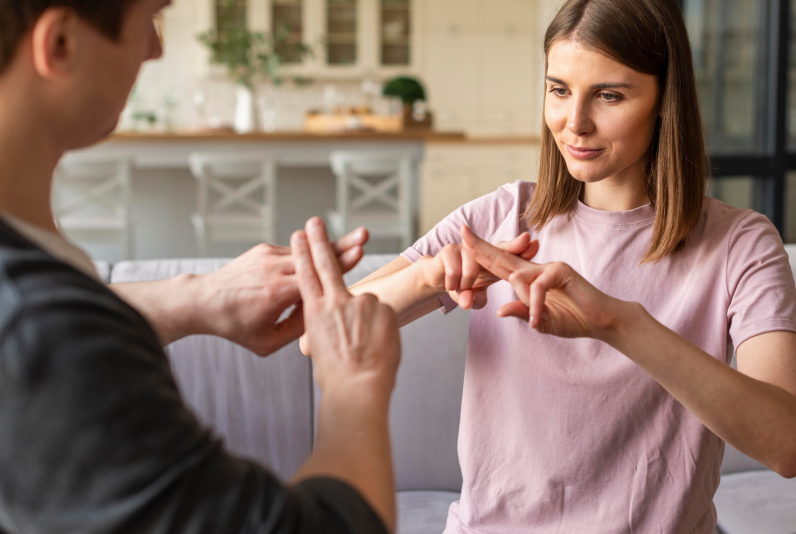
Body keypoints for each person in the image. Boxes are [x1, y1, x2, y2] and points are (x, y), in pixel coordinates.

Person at [304, 0, 796, 532]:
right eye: (559, 90)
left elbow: (785, 447)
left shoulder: (741, 245)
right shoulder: (499, 217)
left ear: (664, 99)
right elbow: (318, 337)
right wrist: (429, 275)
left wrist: (617, 323)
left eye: (609, 95)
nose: (574, 123)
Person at [0, 0, 402, 532]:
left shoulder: (37, 312)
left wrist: (194, 297)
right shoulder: (51, 335)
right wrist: (355, 381)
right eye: (150, 19)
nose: (156, 48)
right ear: (60, 45)